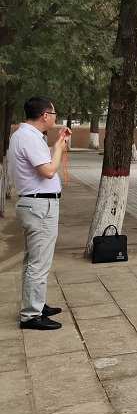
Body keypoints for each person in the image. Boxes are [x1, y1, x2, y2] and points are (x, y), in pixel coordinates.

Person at [9, 96, 71, 330]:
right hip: (40, 207)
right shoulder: (29, 138)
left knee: (32, 261)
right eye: (54, 114)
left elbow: (45, 160)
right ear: (45, 115)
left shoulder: (26, 136)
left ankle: (35, 304)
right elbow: (48, 170)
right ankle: (31, 315)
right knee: (39, 263)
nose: (55, 118)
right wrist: (58, 150)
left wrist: (58, 143)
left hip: (34, 205)